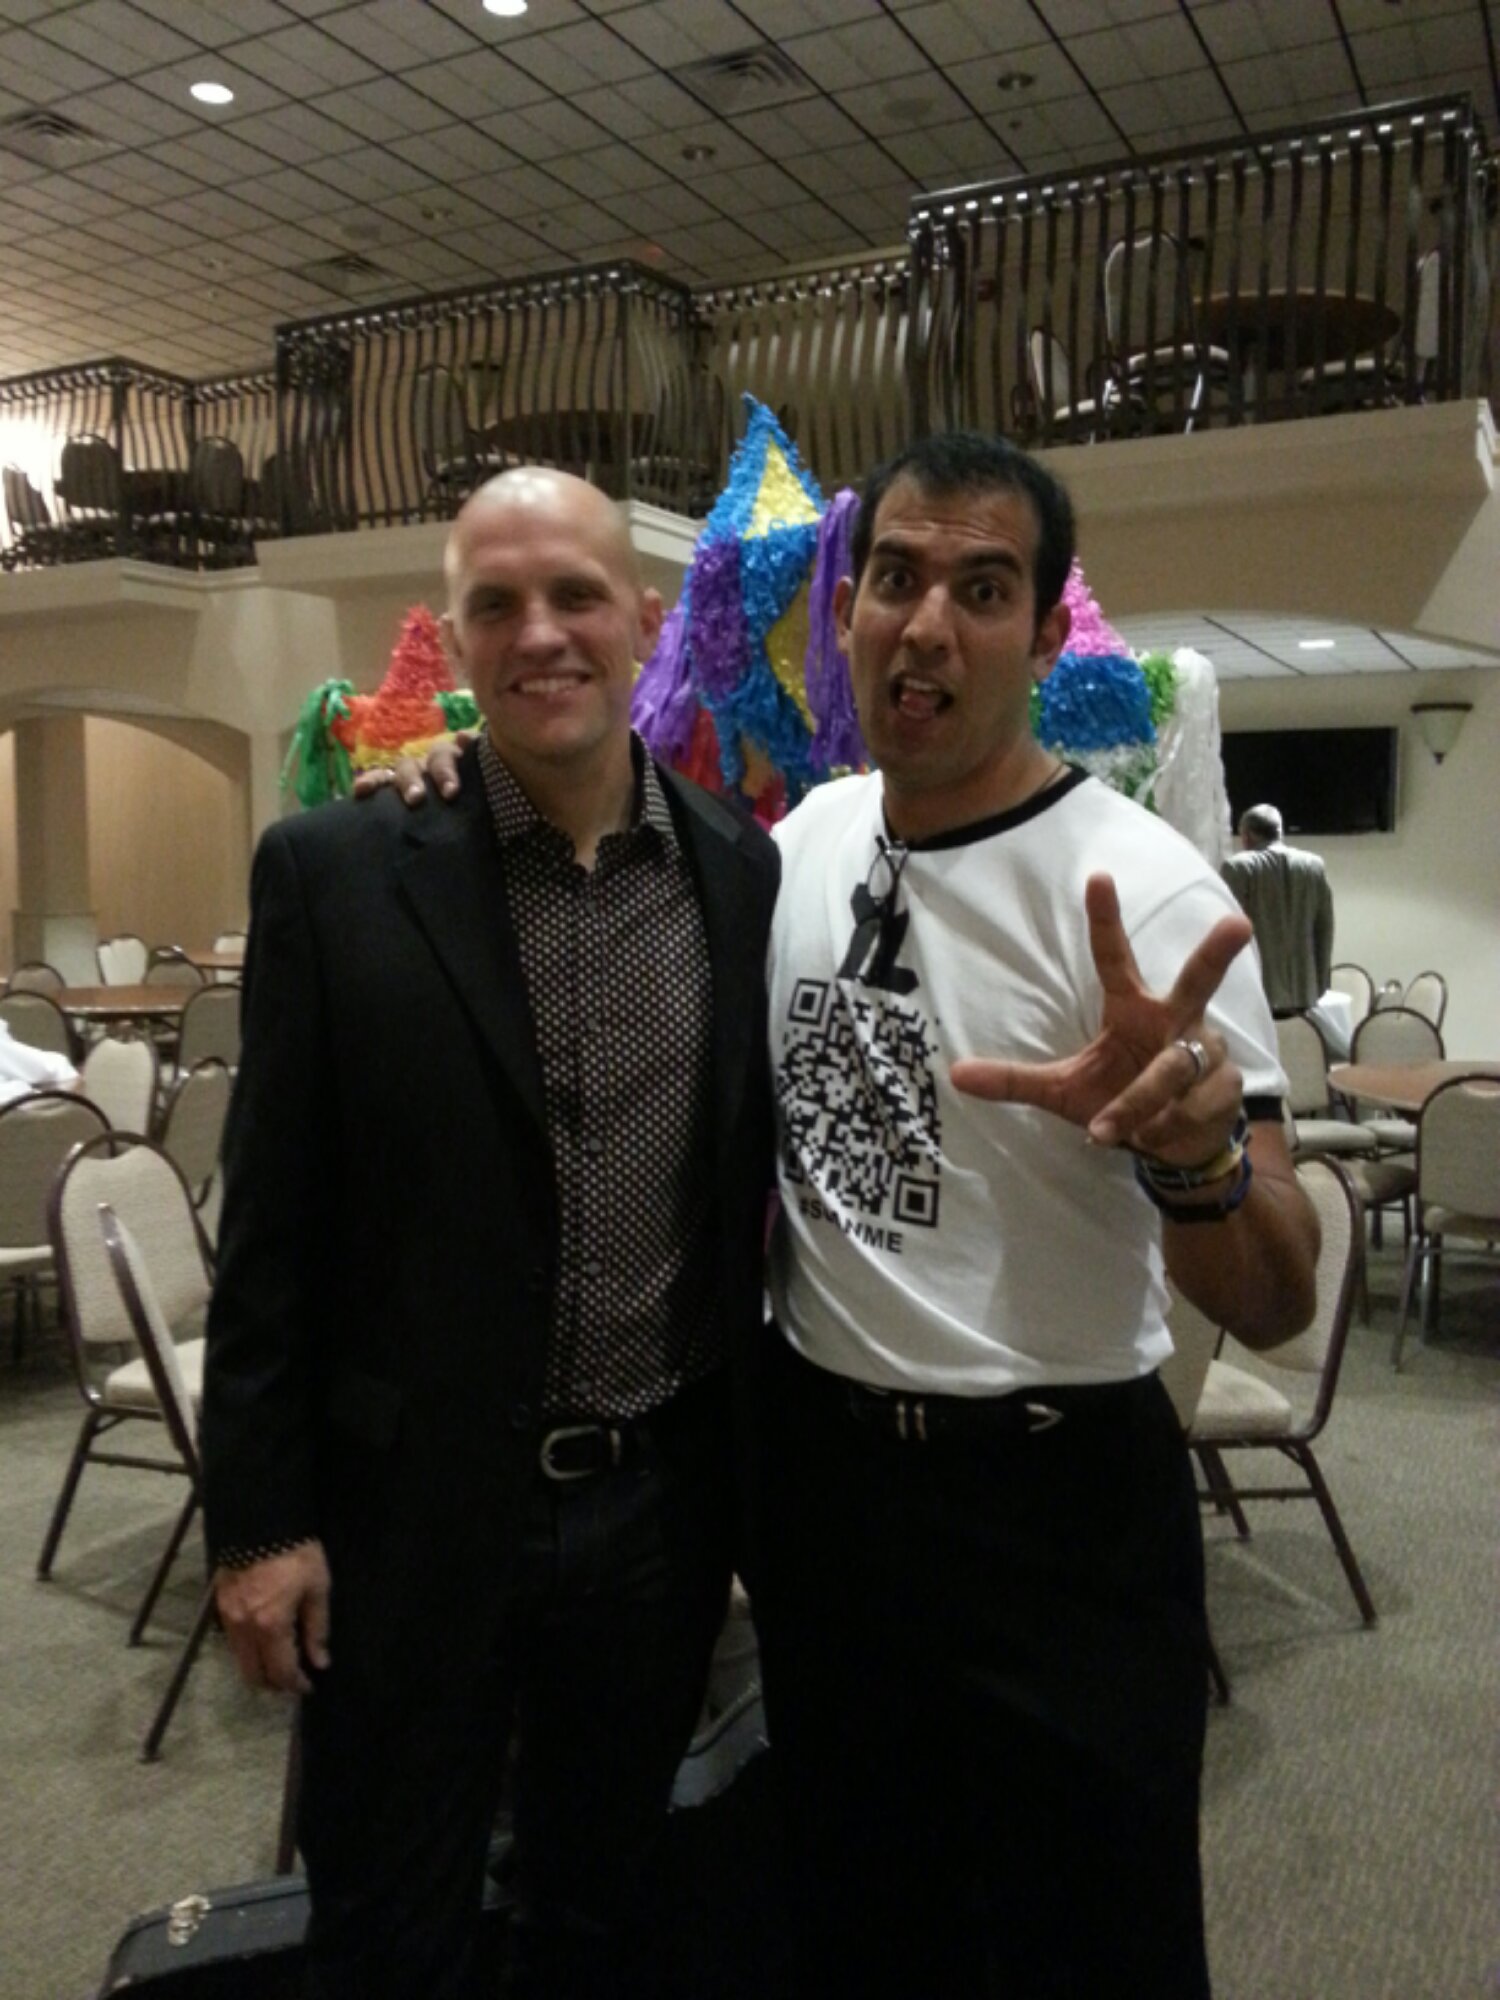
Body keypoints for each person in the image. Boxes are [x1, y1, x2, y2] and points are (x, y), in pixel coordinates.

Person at [391, 432, 1320, 1998]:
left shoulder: (1150, 895)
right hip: (824, 1496)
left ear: (1045, 632)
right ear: (845, 611)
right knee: (850, 1917)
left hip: (1055, 1512)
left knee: (1092, 1937)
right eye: (896, 578)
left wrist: (1198, 1160)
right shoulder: (797, 846)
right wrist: (450, 779)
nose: (928, 625)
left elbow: (1281, 1293)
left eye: (984, 589)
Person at [200, 468, 780, 2000]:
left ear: (643, 620)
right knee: (391, 1925)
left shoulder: (739, 870)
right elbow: (268, 1234)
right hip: (411, 1518)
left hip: (655, 1515)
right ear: (455, 641)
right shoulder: (336, 874)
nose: (541, 634)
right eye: (497, 605)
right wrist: (255, 1524)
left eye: (575, 596)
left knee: (603, 1910)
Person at [1220, 800, 1336, 1021]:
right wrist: (1320, 983)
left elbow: (1228, 933)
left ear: (1246, 835)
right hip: (1305, 992)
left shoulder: (1237, 868)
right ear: (1280, 832)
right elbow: (1325, 928)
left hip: (1256, 994)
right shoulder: (1313, 865)